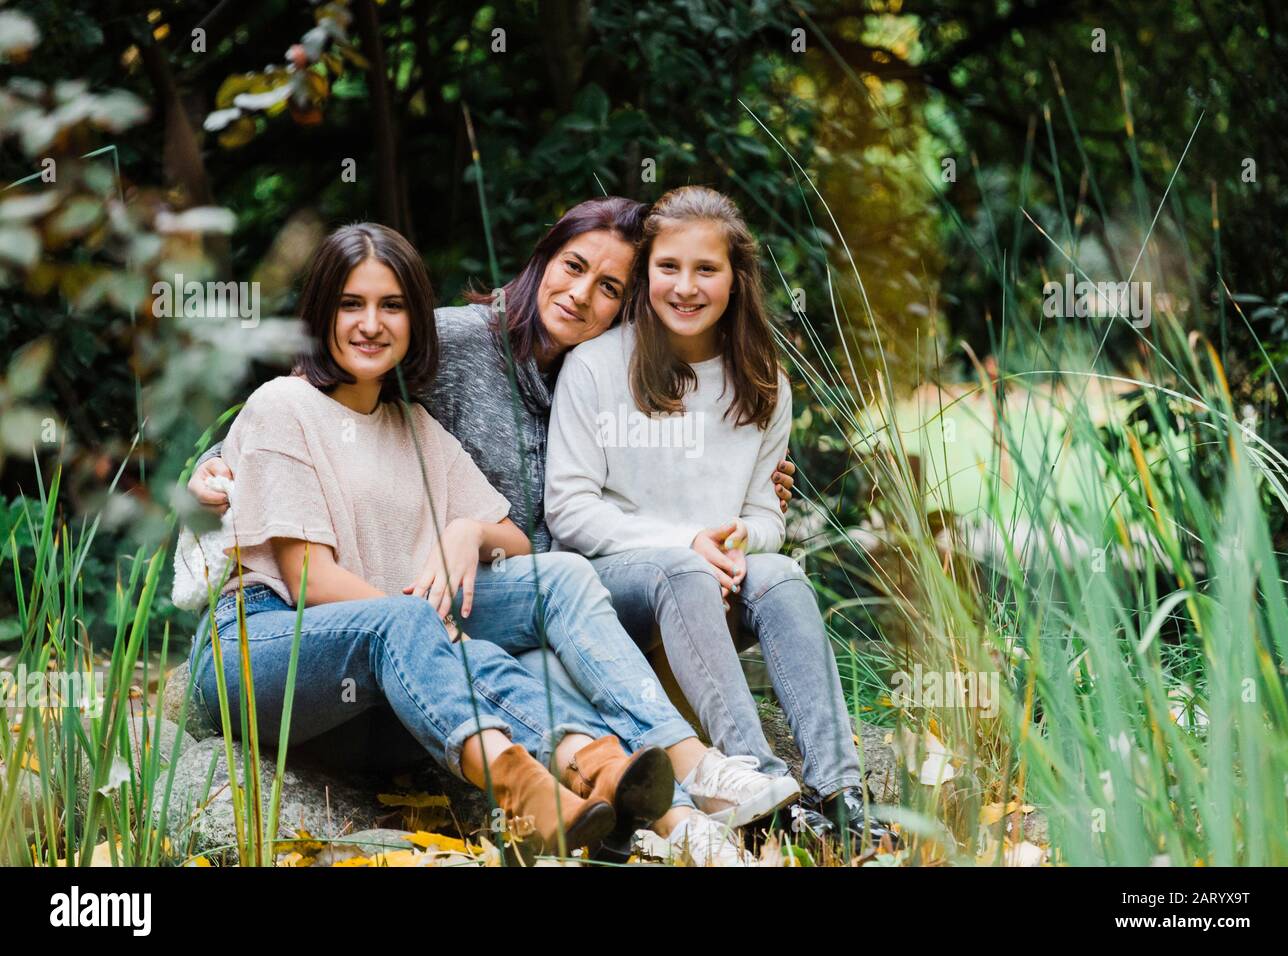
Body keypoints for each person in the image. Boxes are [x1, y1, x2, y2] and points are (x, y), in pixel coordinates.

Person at [189, 199, 801, 861]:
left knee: (550, 585)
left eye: (392, 307)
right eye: (350, 306)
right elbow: (305, 572)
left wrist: (466, 532)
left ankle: (676, 805)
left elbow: (511, 536)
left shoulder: (424, 427)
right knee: (420, 627)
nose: (371, 324)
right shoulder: (292, 402)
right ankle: (526, 791)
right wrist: (215, 464)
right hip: (266, 642)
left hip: (392, 661)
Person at [545, 186, 875, 846]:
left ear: (736, 277)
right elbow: (569, 510)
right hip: (616, 588)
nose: (686, 286)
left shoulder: (762, 379)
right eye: (669, 267)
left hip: (717, 581)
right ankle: (754, 779)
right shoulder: (596, 367)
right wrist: (688, 542)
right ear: (645, 275)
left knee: (780, 573)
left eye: (707, 269)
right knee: (680, 569)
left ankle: (841, 794)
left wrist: (739, 536)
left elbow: (766, 514)